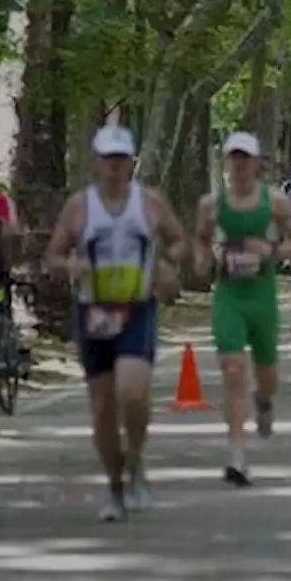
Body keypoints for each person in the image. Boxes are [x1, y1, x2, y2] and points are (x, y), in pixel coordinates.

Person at [45, 126, 188, 519]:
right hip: (93, 312)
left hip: (135, 308)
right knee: (104, 406)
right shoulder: (80, 207)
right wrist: (71, 265)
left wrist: (167, 265)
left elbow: (177, 239)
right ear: (97, 162)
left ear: (131, 163)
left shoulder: (150, 203)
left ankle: (137, 460)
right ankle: (115, 487)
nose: (114, 168)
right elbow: (53, 255)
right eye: (108, 160)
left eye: (121, 160)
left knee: (132, 392)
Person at [195, 132, 291, 487]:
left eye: (245, 158)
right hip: (229, 296)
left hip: (262, 297)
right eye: (234, 158)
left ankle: (264, 401)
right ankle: (237, 457)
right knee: (232, 370)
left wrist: (270, 251)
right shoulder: (213, 205)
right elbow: (200, 240)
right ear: (227, 163)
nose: (239, 165)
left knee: (266, 376)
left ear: (257, 163)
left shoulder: (273, 202)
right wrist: (204, 260)